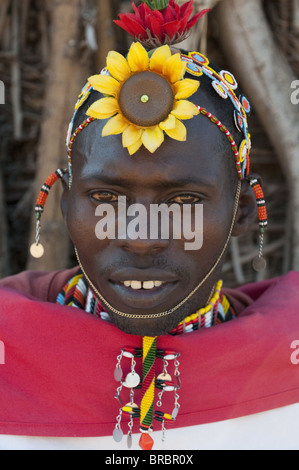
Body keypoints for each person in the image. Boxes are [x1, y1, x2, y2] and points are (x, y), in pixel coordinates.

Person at [0, 0, 298, 451]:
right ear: (65, 205)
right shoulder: (8, 345)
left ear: (241, 211)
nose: (141, 238)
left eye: (183, 200)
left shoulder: (287, 360)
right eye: (105, 198)